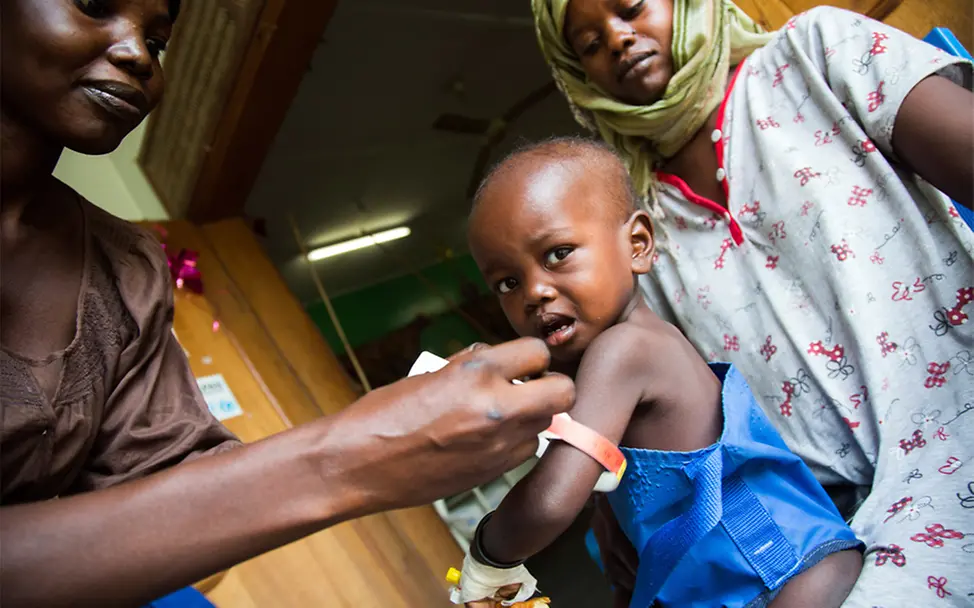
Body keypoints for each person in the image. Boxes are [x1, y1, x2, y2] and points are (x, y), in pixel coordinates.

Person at [0, 1, 574, 605]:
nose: (137, 53)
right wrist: (358, 454)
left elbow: (179, 491)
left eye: (158, 41)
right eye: (94, 4)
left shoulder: (126, 273)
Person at [529, 0, 974, 605]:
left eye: (632, 7)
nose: (617, 39)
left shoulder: (813, 57)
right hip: (850, 527)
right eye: (587, 43)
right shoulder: (636, 236)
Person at [458, 137, 863, 607]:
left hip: (789, 580)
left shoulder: (625, 351)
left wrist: (485, 557)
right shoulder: (611, 364)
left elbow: (552, 499)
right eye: (507, 282)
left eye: (557, 253)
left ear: (637, 244)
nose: (535, 291)